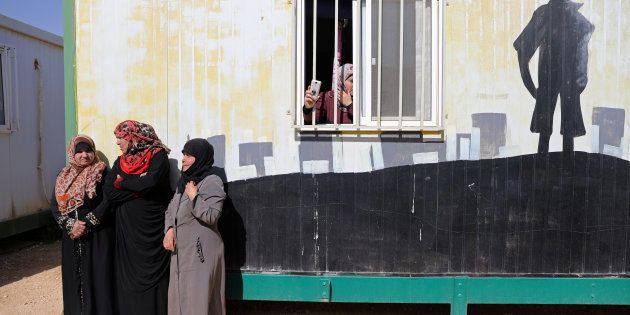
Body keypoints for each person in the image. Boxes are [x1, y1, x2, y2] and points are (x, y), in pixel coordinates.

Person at [104, 120, 172, 315]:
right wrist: (138, 184)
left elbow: (150, 183)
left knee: (152, 272)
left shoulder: (158, 156)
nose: (117, 143)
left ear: (134, 137)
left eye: (120, 138)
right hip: (127, 228)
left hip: (152, 227)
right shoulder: (121, 161)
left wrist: (123, 182)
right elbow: (110, 192)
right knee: (129, 274)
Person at [514, 0, 594, 153]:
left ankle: (552, 163)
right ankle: (552, 164)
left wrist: (532, 88)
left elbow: (522, 52)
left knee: (559, 129)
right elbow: (522, 51)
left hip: (561, 82)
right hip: (557, 81)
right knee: (553, 129)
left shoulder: (569, 20)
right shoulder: (550, 16)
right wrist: (532, 88)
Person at [51, 134, 115, 315]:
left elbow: (108, 201)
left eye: (88, 151)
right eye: (79, 152)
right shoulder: (63, 175)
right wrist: (70, 224)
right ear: (72, 153)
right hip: (72, 236)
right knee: (73, 277)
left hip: (97, 235)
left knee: (98, 277)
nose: (84, 155)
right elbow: (54, 205)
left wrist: (87, 223)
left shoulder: (102, 173)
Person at [164, 138, 226, 315]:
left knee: (198, 300)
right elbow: (171, 209)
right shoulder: (184, 182)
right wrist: (169, 230)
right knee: (180, 299)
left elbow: (212, 215)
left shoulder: (212, 182)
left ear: (200, 158)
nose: (183, 159)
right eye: (183, 154)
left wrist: (194, 197)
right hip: (181, 252)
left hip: (201, 252)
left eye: (189, 155)